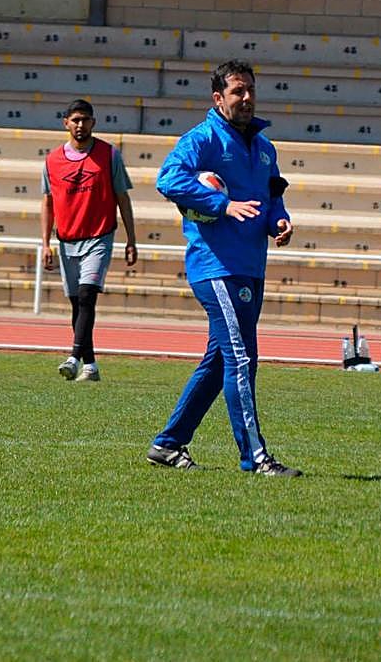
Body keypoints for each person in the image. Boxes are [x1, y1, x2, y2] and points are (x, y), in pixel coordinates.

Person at [146, 60, 301, 477]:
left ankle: (168, 443)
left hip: (251, 265)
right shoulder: (202, 140)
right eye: (237, 91)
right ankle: (256, 457)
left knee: (219, 361)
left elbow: (272, 194)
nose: (246, 98)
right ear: (218, 98)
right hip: (215, 266)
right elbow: (169, 180)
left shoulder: (265, 148)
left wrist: (278, 221)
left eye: (250, 89)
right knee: (242, 357)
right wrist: (222, 205)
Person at [41, 99, 138, 383]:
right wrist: (45, 242)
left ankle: (73, 357)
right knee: (78, 304)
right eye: (75, 120)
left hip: (99, 236)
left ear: (93, 122)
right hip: (67, 239)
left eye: (85, 120)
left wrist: (131, 240)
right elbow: (47, 203)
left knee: (86, 296)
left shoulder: (109, 155)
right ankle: (91, 365)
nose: (80, 125)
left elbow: (123, 197)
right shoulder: (52, 160)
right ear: (66, 123)